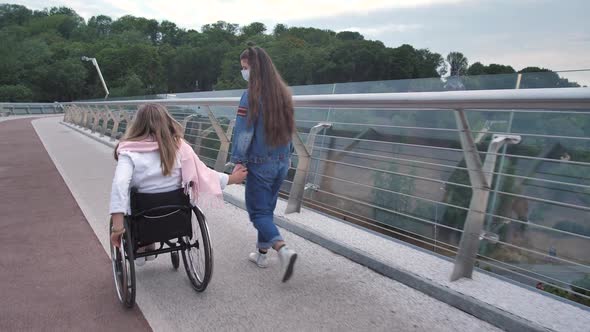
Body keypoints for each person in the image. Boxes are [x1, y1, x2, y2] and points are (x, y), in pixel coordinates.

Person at [109, 103, 247, 265]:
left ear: (137, 125)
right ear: (167, 121)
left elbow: (120, 186)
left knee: (131, 197)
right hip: (177, 214)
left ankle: (143, 246)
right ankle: (157, 243)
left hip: (144, 214)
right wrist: (233, 178)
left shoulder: (128, 152)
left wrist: (117, 229)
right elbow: (205, 174)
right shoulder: (181, 148)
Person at [231, 46, 297, 282]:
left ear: (255, 69)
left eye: (245, 68)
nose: (244, 73)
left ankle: (283, 249)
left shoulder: (250, 95)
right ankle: (261, 255)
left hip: (260, 163)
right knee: (266, 209)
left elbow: (243, 132)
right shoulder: (283, 93)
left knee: (257, 212)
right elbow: (290, 130)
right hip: (282, 161)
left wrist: (238, 161)